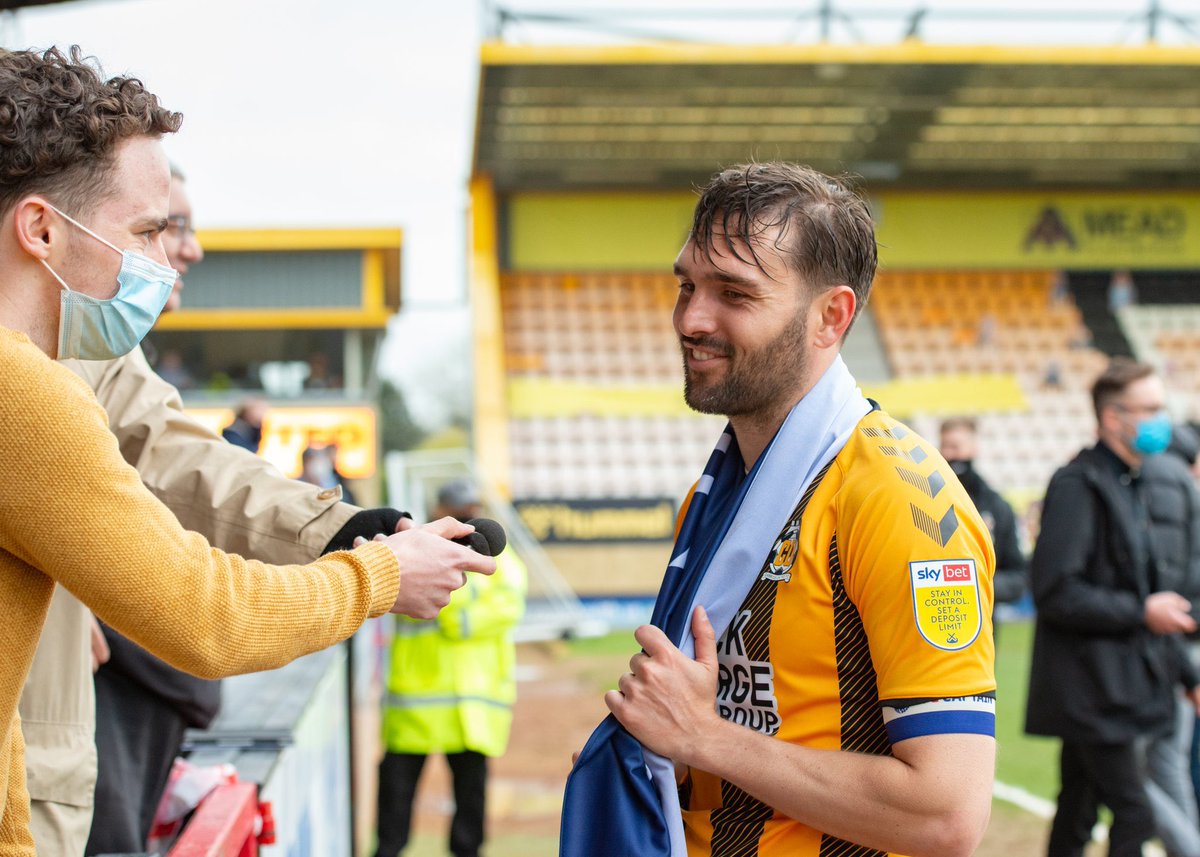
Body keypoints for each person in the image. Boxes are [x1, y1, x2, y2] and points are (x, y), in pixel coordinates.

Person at [0, 45, 495, 852]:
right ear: (42, 228)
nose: (167, 263)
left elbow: (167, 445)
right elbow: (203, 614)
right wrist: (380, 573)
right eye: (148, 232)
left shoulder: (54, 367)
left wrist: (335, 527)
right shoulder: (23, 389)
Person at [561, 162, 997, 857]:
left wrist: (705, 735)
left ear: (831, 315)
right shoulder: (721, 491)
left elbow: (945, 815)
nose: (691, 319)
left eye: (734, 292)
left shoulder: (899, 499)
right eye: (687, 285)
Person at [1025, 358, 1200, 857]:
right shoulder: (1079, 484)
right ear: (1111, 418)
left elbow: (1147, 596)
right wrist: (1140, 612)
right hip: (1092, 691)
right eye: (1148, 409)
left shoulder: (1131, 483)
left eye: (1161, 408)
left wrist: (1186, 677)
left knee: (1079, 808)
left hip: (1118, 686)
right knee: (1135, 812)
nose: (1160, 420)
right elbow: (1057, 590)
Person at [375, 479, 527, 857]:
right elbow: (406, 603)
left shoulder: (502, 559)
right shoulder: (412, 551)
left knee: (469, 817)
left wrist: (453, 614)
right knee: (394, 817)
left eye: (470, 508)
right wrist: (460, 613)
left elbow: (508, 608)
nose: (467, 516)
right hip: (416, 708)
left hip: (471, 709)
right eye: (460, 509)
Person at [939, 416, 1028, 616]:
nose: (949, 454)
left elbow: (1018, 578)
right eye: (944, 446)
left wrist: (972, 584)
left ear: (973, 449)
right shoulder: (922, 499)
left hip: (983, 629)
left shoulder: (998, 507)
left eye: (955, 447)